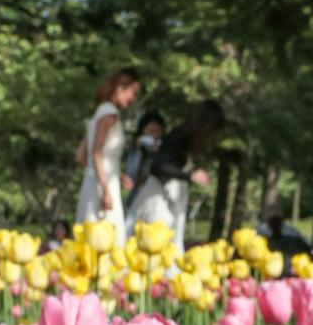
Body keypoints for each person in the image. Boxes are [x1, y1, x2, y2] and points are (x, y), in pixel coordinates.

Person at [127, 100, 225, 253]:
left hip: (172, 202)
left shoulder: (187, 138)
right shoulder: (180, 135)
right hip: (159, 201)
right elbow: (158, 166)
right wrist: (189, 175)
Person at [75, 66, 140, 244]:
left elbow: (81, 156)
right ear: (120, 89)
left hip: (91, 183)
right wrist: (105, 189)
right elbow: (96, 151)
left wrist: (117, 175)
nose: (133, 99)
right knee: (109, 241)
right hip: (103, 185)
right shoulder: (109, 113)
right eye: (133, 93)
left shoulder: (98, 113)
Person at [125, 110, 166, 207]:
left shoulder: (164, 147)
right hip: (137, 192)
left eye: (158, 132)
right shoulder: (136, 148)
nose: (154, 135)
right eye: (151, 131)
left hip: (157, 195)